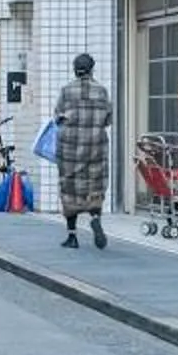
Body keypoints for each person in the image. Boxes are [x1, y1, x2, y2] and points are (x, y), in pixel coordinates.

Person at [54, 51, 113, 250]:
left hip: (70, 150)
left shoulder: (66, 91)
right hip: (96, 148)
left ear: (75, 70)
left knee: (69, 189)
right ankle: (95, 218)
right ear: (92, 69)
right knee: (94, 186)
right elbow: (108, 119)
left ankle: (72, 236)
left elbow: (58, 117)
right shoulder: (102, 91)